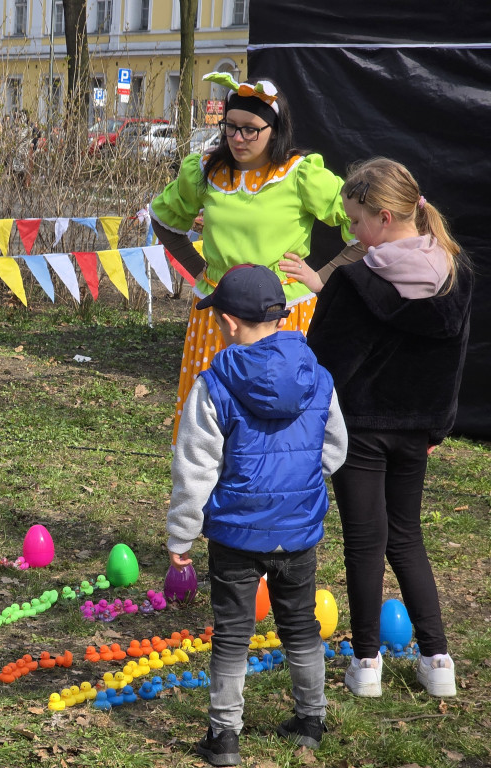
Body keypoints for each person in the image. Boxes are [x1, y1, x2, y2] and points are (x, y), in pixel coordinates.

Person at [166, 264, 347, 766]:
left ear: (227, 322)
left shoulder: (214, 384)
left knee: (232, 633)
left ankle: (224, 737)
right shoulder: (318, 374)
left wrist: (180, 536)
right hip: (297, 529)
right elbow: (336, 449)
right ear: (280, 315)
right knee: (301, 625)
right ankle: (312, 719)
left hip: (236, 533)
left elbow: (194, 469)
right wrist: (299, 483)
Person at [307, 158, 471, 698]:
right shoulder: (453, 273)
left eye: (354, 223)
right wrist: (435, 425)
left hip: (361, 428)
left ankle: (367, 666)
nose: (351, 234)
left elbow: (327, 363)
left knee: (364, 543)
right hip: (416, 431)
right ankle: (438, 662)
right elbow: (452, 365)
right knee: (406, 539)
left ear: (382, 216)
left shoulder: (356, 282)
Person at [147, 72, 352, 446]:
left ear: (275, 129)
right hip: (217, 316)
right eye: (231, 127)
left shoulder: (299, 174)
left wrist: (323, 277)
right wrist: (199, 271)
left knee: (277, 425)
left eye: (251, 130)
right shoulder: (206, 171)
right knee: (212, 424)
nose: (238, 138)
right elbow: (164, 220)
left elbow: (360, 219)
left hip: (284, 318)